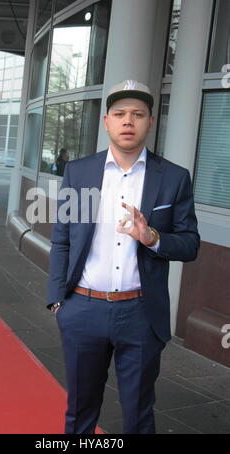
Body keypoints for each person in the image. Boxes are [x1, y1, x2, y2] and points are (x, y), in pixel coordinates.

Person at [47, 79, 200, 434]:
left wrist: (151, 237)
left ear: (150, 122)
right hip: (82, 310)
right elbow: (63, 240)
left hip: (141, 314)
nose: (128, 121)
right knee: (80, 414)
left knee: (138, 416)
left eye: (137, 114)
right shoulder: (80, 172)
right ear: (107, 122)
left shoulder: (173, 178)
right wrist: (58, 300)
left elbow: (190, 244)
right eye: (119, 114)